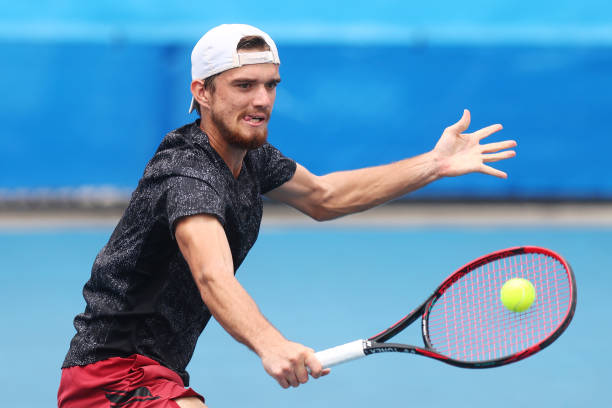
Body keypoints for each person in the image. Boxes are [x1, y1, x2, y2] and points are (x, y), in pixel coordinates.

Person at [58, 23, 516, 408]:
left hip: (159, 371)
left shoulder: (250, 158)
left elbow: (324, 196)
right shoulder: (188, 175)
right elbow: (212, 275)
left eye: (270, 85)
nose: (261, 100)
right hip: (110, 372)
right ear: (202, 92)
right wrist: (271, 343)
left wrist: (433, 165)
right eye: (244, 86)